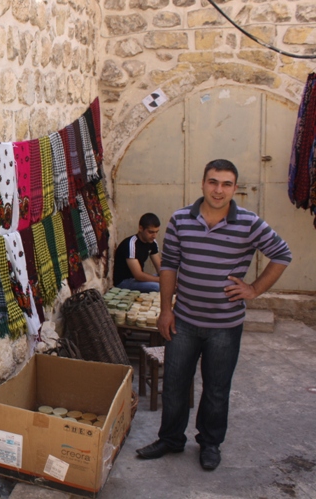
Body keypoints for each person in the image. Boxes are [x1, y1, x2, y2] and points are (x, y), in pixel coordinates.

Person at [136, 159, 291, 470]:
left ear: (234, 188)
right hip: (185, 321)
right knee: (176, 384)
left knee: (217, 389)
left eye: (226, 184)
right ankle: (171, 439)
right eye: (212, 182)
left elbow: (281, 254)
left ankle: (209, 443)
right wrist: (166, 310)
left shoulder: (249, 223)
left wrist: (254, 289)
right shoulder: (181, 219)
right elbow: (169, 267)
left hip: (225, 326)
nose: (218, 190)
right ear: (202, 183)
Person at [112, 213, 162, 292]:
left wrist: (168, 279)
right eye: (151, 232)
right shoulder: (131, 243)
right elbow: (138, 275)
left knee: (173, 280)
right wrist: (161, 280)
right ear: (141, 228)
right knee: (158, 287)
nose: (154, 236)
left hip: (138, 280)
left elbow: (160, 268)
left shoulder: (152, 242)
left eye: (156, 232)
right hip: (125, 282)